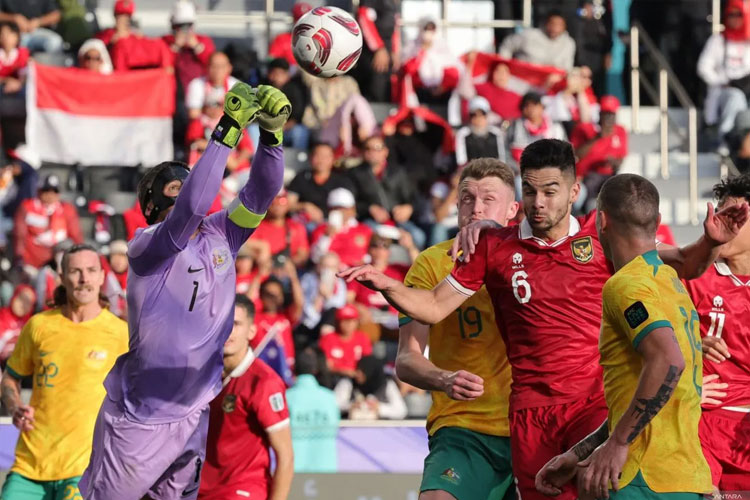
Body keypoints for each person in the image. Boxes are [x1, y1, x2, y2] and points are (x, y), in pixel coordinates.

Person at [340, 138, 749, 500]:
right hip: (531, 413)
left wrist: (709, 242)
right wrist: (386, 284)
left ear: (573, 191)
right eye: (531, 190)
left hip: (592, 407)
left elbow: (687, 265)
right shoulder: (493, 247)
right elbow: (432, 305)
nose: (539, 202)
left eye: (550, 191)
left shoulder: (603, 238)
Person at [78, 83, 290, 500]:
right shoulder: (147, 244)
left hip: (194, 415)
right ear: (155, 206)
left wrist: (271, 137)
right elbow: (193, 205)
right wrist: (227, 129)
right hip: (140, 421)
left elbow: (263, 192)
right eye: (177, 190)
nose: (193, 194)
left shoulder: (222, 235)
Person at [535, 174, 713, 499]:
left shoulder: (626, 285)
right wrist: (579, 454)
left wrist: (617, 444)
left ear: (602, 221)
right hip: (685, 477)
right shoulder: (671, 283)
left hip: (641, 480)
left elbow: (668, 361)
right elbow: (644, 395)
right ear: (657, 222)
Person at [397, 158, 518, 500]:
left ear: (512, 209)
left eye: (488, 199)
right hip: (463, 427)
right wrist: (444, 379)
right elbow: (407, 359)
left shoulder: (535, 259)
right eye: (467, 198)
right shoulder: (431, 264)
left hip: (532, 425)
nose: (476, 208)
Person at [0, 244, 128, 500]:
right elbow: (10, 378)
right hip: (29, 466)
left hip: (84, 471)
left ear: (102, 276)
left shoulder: (121, 334)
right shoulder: (39, 326)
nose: (84, 279)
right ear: (62, 277)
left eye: (92, 270)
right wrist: (14, 406)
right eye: (76, 271)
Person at [684, 174, 750, 492]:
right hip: (701, 424)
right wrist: (689, 347)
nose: (724, 224)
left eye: (735, 216)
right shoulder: (691, 275)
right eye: (720, 214)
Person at [199, 295, 294, 500]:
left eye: (235, 324)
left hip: (242, 491)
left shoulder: (264, 382)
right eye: (222, 323)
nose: (227, 331)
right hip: (201, 490)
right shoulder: (200, 378)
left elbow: (285, 456)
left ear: (251, 331)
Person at [348, 134, 425, 249]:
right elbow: (350, 204)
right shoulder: (355, 174)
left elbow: (416, 199)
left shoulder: (398, 172)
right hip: (370, 221)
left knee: (418, 236)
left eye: (377, 148)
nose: (372, 152)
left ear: (385, 152)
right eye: (368, 149)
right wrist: (370, 208)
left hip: (398, 221)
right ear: (363, 152)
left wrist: (409, 208)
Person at [698, 0, 750, 139]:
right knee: (735, 98)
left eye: (738, 15)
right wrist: (721, 81)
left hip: (747, 90)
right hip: (724, 90)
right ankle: (725, 138)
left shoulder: (748, 41)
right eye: (730, 15)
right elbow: (703, 67)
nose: (734, 19)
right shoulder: (718, 40)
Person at [286, 347, 340, 473]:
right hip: (326, 467)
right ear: (315, 370)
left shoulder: (286, 397)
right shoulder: (329, 397)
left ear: (294, 369)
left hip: (295, 469)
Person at [570, 95, 628, 210]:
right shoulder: (585, 128)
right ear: (600, 113)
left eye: (612, 114)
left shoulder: (620, 130)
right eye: (606, 113)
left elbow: (621, 157)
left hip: (609, 175)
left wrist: (615, 162)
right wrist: (598, 137)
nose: (609, 118)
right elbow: (576, 155)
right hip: (586, 176)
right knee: (589, 191)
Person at [13, 174, 83, 270]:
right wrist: (19, 256)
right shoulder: (27, 207)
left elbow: (76, 234)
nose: (50, 194)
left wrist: (82, 254)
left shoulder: (67, 209)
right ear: (39, 191)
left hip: (59, 260)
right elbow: (20, 235)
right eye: (46, 190)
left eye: (55, 191)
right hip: (33, 260)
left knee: (66, 249)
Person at [287, 142, 355, 226]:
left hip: (333, 225)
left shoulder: (342, 181)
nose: (321, 160)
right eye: (317, 155)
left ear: (333, 159)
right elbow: (288, 204)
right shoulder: (301, 178)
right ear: (311, 157)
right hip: (306, 222)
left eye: (325, 156)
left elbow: (351, 211)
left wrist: (331, 218)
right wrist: (305, 206)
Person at [309, 187, 373, 268]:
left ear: (353, 209)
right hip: (331, 275)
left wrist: (365, 260)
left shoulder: (365, 230)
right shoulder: (321, 230)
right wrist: (326, 237)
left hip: (357, 274)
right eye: (336, 208)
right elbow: (315, 258)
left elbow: (375, 255)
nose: (341, 212)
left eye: (344, 208)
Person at [162, 0, 215, 92]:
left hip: (198, 91)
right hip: (173, 90)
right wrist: (175, 47)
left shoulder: (203, 41)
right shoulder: (166, 42)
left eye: (188, 25)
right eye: (180, 26)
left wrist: (197, 47)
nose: (184, 30)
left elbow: (212, 63)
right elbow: (163, 65)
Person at [352, 0, 400, 101]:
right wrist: (378, 48)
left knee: (386, 93)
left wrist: (395, 51)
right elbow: (363, 17)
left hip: (387, 56)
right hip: (372, 56)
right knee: (374, 93)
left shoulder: (392, 4)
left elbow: (394, 27)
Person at [335, 355, 408, 420]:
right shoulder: (347, 383)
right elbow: (333, 405)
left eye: (363, 370)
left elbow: (401, 411)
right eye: (358, 369)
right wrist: (351, 406)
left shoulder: (387, 384)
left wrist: (379, 407)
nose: (358, 373)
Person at [499, 11, 576, 71]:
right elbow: (507, 45)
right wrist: (505, 66)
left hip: (549, 85)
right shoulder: (529, 35)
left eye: (559, 25)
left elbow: (567, 69)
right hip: (521, 80)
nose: (555, 28)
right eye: (552, 24)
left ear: (565, 26)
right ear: (546, 23)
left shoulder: (569, 44)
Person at [251, 189, 309, 268]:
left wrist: (287, 265)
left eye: (282, 201)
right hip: (264, 271)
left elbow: (303, 254)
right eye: (272, 202)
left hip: (289, 272)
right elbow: (250, 249)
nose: (277, 205)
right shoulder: (257, 225)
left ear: (288, 204)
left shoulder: (297, 227)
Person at [507, 92, 567, 165]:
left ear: (541, 107)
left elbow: (565, 151)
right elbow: (507, 151)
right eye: (526, 105)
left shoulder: (555, 127)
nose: (530, 108)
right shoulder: (515, 126)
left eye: (534, 104)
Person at [298, 251, 348, 341]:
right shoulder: (308, 280)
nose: (328, 271)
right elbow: (305, 308)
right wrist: (319, 295)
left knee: (332, 313)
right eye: (325, 266)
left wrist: (327, 295)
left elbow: (338, 306)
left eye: (332, 267)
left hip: (328, 324)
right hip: (307, 324)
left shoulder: (339, 284)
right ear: (318, 267)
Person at [319, 304, 373, 380]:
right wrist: (344, 371)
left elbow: (368, 361)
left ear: (357, 322)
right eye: (344, 320)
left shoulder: (362, 338)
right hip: (334, 378)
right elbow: (326, 366)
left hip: (357, 379)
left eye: (352, 320)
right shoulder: (328, 338)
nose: (348, 324)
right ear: (338, 322)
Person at [266, 57, 310, 150]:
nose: (275, 77)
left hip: (287, 130)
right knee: (253, 129)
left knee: (300, 132)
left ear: (287, 75)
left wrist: (284, 127)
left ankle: (298, 160)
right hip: (267, 130)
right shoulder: (263, 89)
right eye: (273, 73)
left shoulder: (295, 89)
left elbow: (297, 115)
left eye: (279, 73)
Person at [186, 51, 240, 120]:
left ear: (229, 68)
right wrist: (206, 111)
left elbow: (242, 114)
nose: (218, 70)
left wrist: (221, 112)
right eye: (214, 66)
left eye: (222, 66)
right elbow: (193, 113)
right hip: (204, 123)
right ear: (207, 67)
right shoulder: (197, 84)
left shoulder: (237, 86)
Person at [455, 96, 506, 167]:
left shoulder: (496, 133)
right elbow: (461, 161)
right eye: (474, 115)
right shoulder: (463, 134)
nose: (478, 119)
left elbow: (502, 159)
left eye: (482, 115)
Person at [0, 283, 35, 364]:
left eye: (28, 302)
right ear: (14, 296)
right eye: (21, 298)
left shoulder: (30, 325)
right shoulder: (1, 317)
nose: (23, 304)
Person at [268, 2, 312, 67]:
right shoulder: (282, 39)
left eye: (306, 21)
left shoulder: (320, 39)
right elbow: (271, 60)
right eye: (299, 19)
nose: (302, 25)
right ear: (294, 20)